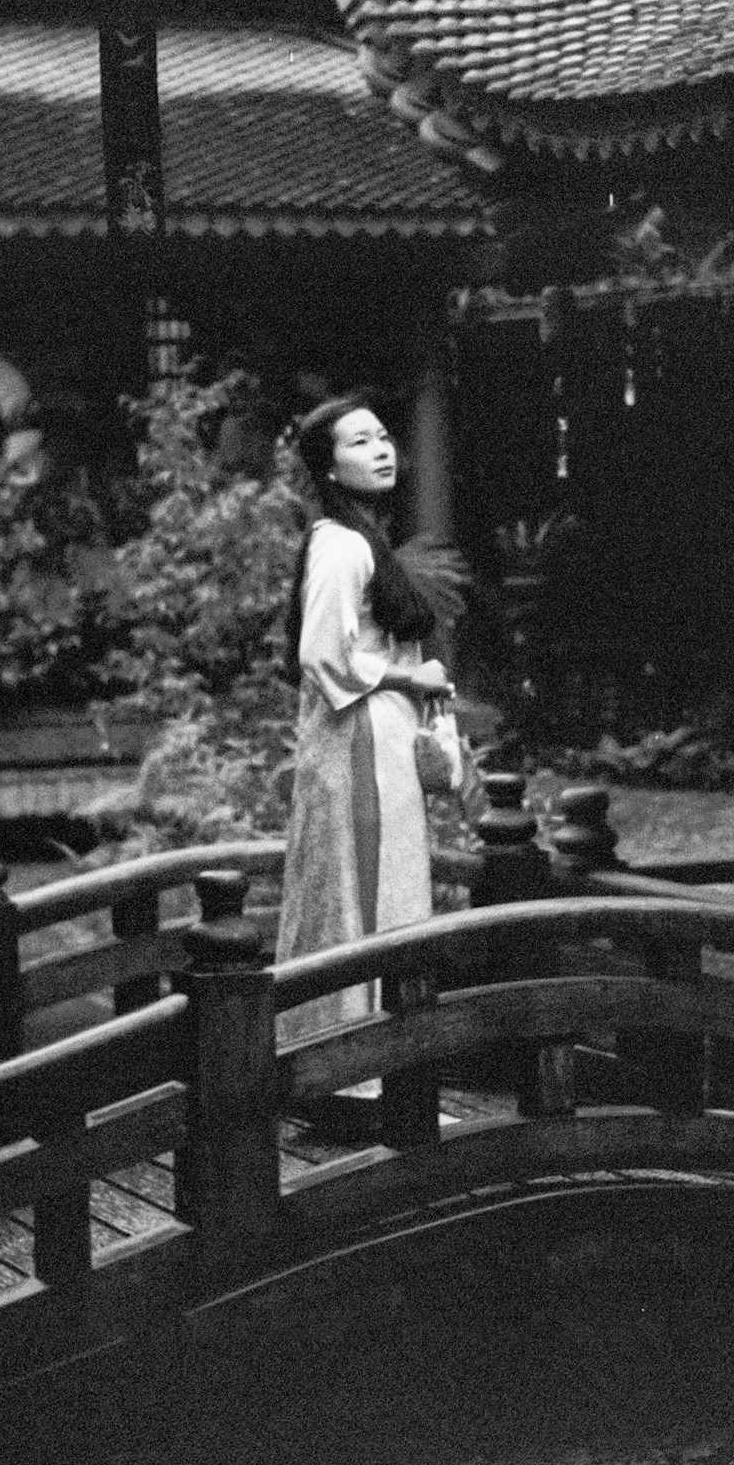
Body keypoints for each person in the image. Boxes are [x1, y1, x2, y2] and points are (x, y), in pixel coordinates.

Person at [277, 396, 450, 1080]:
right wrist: (411, 681)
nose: (381, 449)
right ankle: (359, 1066)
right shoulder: (341, 544)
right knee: (365, 896)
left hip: (375, 734)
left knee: (382, 892)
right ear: (330, 467)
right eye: (360, 442)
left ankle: (375, 1062)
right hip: (359, 741)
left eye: (383, 436)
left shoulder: (360, 538)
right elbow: (323, 655)